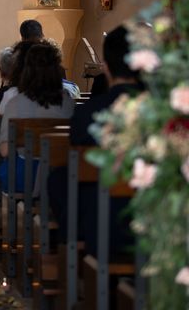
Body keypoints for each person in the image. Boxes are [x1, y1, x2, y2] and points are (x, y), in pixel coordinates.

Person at [48, 25, 141, 256]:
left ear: (106, 69)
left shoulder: (87, 114)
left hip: (104, 232)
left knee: (59, 178)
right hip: (157, 232)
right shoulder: (164, 115)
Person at [0, 42, 75, 192]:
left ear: (25, 70)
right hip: (60, 175)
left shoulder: (15, 103)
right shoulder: (68, 102)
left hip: (25, 175)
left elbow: (5, 150)